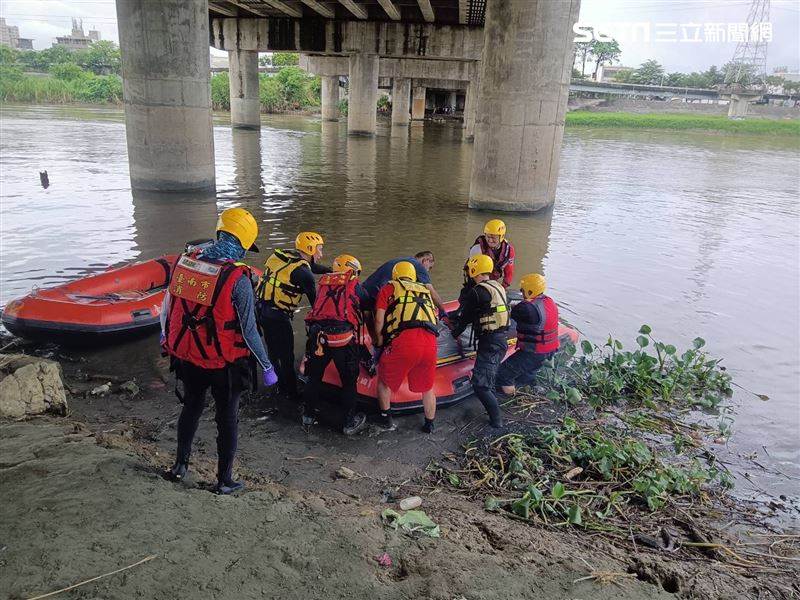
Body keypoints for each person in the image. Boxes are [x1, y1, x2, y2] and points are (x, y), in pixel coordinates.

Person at [161, 207, 277, 495]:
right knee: (227, 419)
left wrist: (167, 339)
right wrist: (267, 366)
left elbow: (167, 308)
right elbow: (249, 332)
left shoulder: (186, 262)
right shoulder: (238, 279)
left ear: (219, 230)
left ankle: (179, 466)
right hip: (223, 364)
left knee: (191, 407)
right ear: (244, 243)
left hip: (187, 356)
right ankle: (224, 480)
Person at [256, 232, 330, 407]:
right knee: (287, 356)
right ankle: (290, 392)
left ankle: (276, 381)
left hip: (261, 310)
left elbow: (309, 268)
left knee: (274, 350)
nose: (321, 254)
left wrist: (330, 271)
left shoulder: (285, 256)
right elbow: (316, 305)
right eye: (319, 250)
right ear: (310, 249)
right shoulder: (304, 274)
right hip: (277, 316)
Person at [302, 254, 370, 435]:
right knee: (348, 382)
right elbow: (366, 305)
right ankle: (349, 423)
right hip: (343, 339)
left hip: (318, 337)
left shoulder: (324, 282)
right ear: (353, 269)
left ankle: (308, 415)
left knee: (314, 377)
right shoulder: (355, 285)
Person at [373, 261, 439, 433]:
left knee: (383, 382)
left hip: (404, 342)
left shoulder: (389, 288)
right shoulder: (425, 290)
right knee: (427, 387)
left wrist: (379, 339)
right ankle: (429, 424)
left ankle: (386, 420)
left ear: (395, 276)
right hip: (430, 343)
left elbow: (379, 319)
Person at [449, 254, 510, 428]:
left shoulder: (477, 291)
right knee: (486, 378)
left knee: (480, 385)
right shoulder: (497, 286)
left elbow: (465, 318)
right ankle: (495, 413)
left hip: (490, 342)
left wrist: (453, 333)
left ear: (474, 270)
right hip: (498, 340)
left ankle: (496, 422)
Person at [497, 273, 560, 395]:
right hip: (550, 348)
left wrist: (496, 307)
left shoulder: (526, 308)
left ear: (530, 291)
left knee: (504, 373)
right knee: (528, 372)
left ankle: (509, 396)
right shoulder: (548, 301)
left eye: (522, 290)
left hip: (534, 352)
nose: (521, 292)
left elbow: (507, 312)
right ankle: (526, 387)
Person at [362, 251, 447, 316]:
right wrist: (443, 310)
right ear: (426, 261)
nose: (428, 271)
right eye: (430, 267)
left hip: (364, 292)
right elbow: (432, 293)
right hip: (376, 297)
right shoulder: (419, 266)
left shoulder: (402, 260)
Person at [467, 219, 515, 288]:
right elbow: (472, 273)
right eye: (488, 236)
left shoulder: (509, 251)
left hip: (493, 281)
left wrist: (503, 287)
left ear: (501, 237)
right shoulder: (477, 249)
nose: (490, 240)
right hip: (476, 281)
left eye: (493, 237)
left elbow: (509, 272)